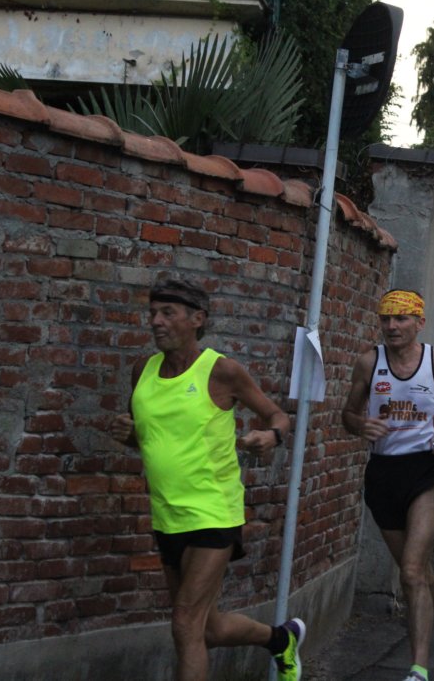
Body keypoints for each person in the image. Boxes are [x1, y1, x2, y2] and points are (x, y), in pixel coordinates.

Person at [108, 279, 303, 681]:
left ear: (197, 319)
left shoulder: (221, 371)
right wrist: (129, 435)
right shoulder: (142, 370)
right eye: (153, 313)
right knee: (206, 629)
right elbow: (150, 440)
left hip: (213, 511)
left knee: (184, 623)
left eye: (168, 313)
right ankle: (280, 640)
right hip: (167, 515)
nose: (156, 321)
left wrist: (271, 435)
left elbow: (278, 415)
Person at [341, 289, 434, 681]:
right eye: (385, 319)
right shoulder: (370, 362)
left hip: (426, 470)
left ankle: (418, 669)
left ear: (420, 322)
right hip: (384, 472)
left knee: (413, 569)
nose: (392, 326)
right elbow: (348, 414)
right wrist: (360, 425)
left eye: (401, 319)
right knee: (414, 571)